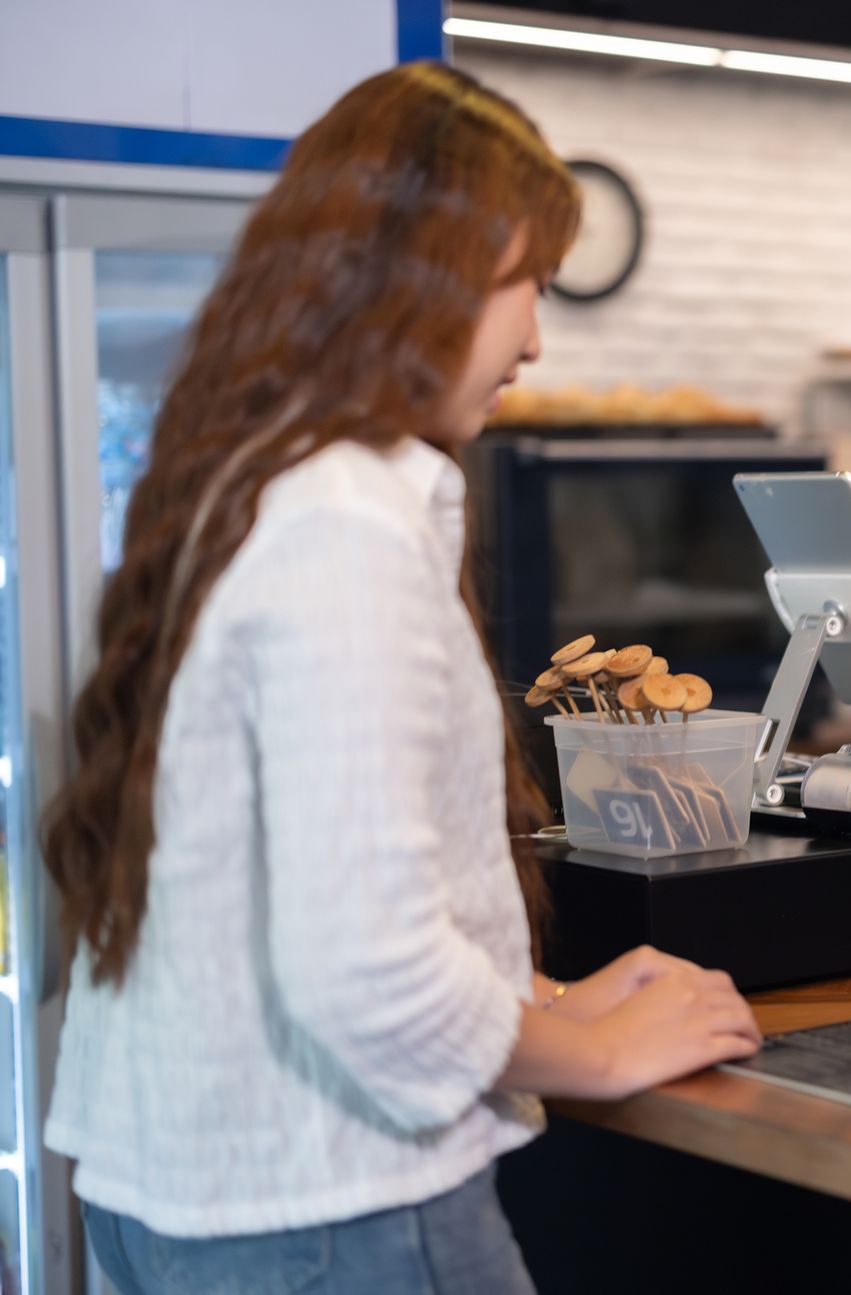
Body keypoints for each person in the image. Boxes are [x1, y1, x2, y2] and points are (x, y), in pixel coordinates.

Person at [38, 63, 760, 1294]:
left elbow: (288, 879)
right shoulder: (346, 527)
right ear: (411, 287)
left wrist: (542, 999)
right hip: (331, 1216)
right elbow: (363, 973)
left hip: (181, 1197)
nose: (534, 337)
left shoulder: (242, 483)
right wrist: (592, 1049)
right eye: (520, 284)